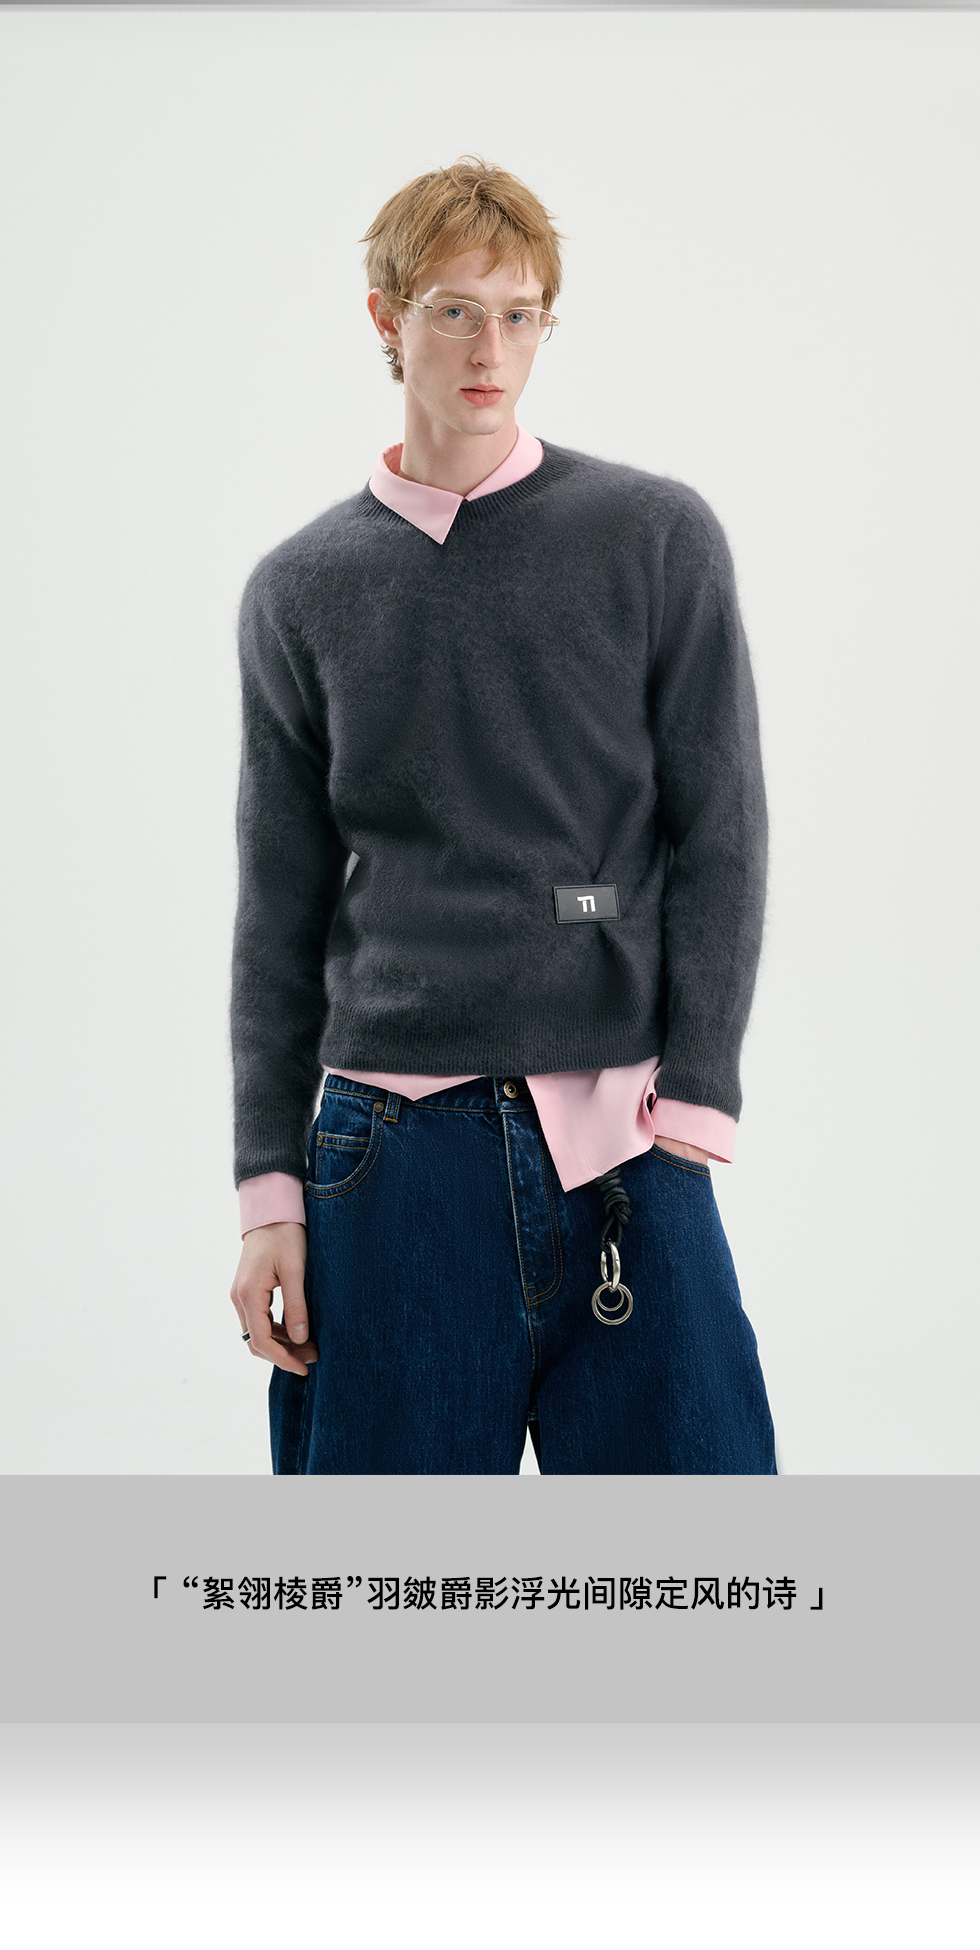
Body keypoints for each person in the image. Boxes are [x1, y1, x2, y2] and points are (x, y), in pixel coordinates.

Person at [229, 157, 776, 1475]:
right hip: (388, 1155)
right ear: (385, 318)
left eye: (521, 314)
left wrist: (700, 1091)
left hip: (624, 1140)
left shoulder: (653, 536)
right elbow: (278, 914)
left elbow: (721, 826)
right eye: (456, 311)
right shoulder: (300, 589)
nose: (491, 349)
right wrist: (267, 1196)